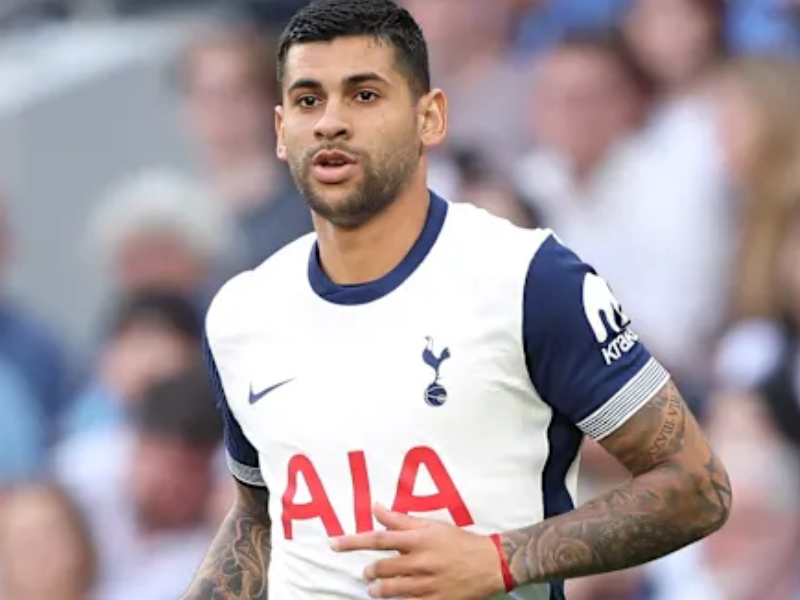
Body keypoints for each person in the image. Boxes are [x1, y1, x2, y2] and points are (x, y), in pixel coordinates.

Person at [186, 1, 732, 599]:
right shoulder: (241, 314)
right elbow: (259, 516)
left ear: (430, 118)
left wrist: (502, 559)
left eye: (364, 95)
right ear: (280, 131)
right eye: (308, 100)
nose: (331, 123)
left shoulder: (530, 279)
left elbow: (696, 485)